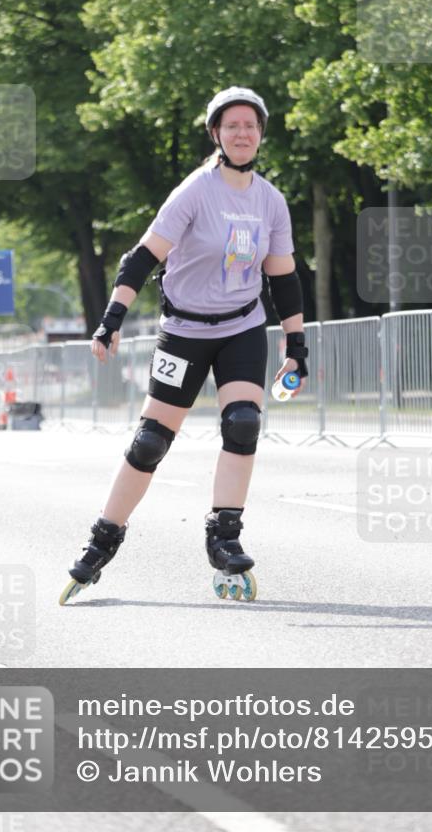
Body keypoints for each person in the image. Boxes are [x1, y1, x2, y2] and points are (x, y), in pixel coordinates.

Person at [60, 86, 308, 605]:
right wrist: (112, 318)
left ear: (261, 134)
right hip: (184, 332)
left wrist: (296, 344)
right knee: (152, 440)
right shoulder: (195, 190)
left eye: (252, 126)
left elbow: (283, 278)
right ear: (216, 133)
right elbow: (141, 258)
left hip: (241, 326)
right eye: (233, 125)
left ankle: (225, 537)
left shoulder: (270, 200)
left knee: (243, 424)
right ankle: (103, 538)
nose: (243, 133)